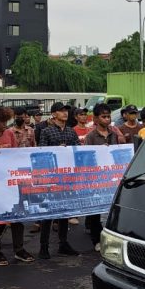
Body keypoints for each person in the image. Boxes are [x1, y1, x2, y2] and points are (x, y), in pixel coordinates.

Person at [0, 106, 35, 265]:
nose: (5, 124)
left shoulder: (9, 134)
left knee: (17, 216)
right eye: (1, 122)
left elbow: (15, 155)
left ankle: (19, 249)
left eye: (5, 121)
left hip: (11, 182)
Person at [36, 102, 81, 258]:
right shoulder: (46, 131)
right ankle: (44, 247)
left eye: (66, 111)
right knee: (48, 213)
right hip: (52, 177)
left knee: (64, 211)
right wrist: (57, 151)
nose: (65, 113)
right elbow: (42, 152)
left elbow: (78, 151)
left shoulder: (71, 132)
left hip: (67, 177)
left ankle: (63, 244)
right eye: (61, 111)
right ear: (54, 114)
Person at [83, 104, 125, 251]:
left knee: (113, 209)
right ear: (95, 118)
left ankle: (113, 238)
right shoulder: (91, 136)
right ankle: (96, 239)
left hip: (113, 177)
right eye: (103, 116)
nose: (107, 119)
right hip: (97, 177)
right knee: (96, 210)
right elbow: (87, 158)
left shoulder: (114, 134)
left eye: (108, 116)